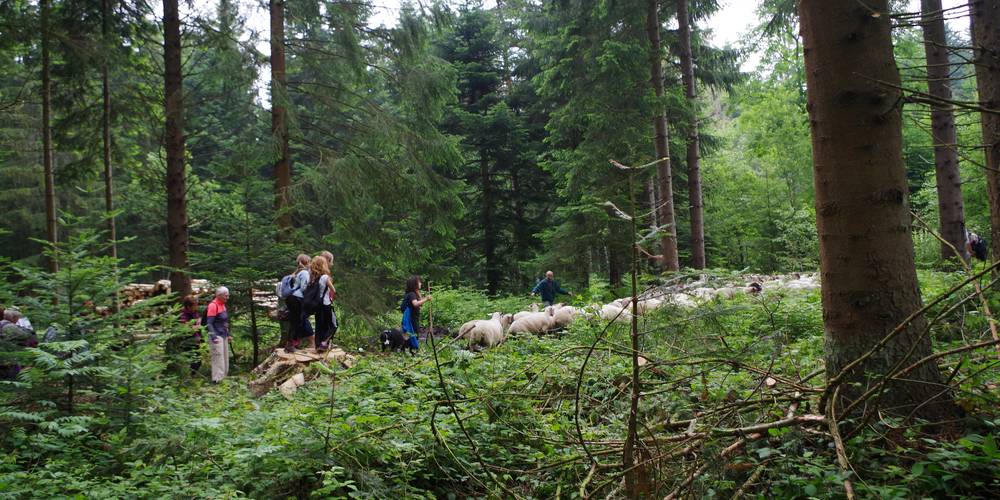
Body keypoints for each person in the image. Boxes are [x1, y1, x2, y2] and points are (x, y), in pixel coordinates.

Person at [285, 254, 313, 353]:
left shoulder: (297, 272)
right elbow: (304, 288)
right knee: (297, 321)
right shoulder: (305, 273)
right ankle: (291, 345)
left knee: (296, 321)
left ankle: (292, 344)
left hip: (291, 298)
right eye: (310, 262)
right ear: (308, 263)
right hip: (297, 299)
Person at [205, 287, 231, 383]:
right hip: (216, 335)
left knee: (225, 357)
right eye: (226, 295)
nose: (227, 297)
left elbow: (225, 322)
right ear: (219, 295)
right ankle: (217, 380)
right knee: (218, 358)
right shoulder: (213, 305)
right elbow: (209, 323)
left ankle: (224, 378)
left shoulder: (223, 305)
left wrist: (228, 334)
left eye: (228, 295)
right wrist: (213, 337)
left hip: (223, 334)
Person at [401, 275, 431, 353]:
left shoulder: (413, 293)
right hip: (411, 318)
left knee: (413, 333)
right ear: (414, 284)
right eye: (419, 282)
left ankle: (408, 350)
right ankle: (412, 350)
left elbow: (420, 304)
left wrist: (419, 294)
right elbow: (415, 304)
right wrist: (426, 299)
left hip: (413, 317)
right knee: (413, 333)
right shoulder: (412, 294)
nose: (420, 283)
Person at [316, 251, 338, 350]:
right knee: (334, 324)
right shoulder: (325, 276)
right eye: (331, 262)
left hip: (317, 304)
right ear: (327, 261)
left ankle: (319, 344)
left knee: (320, 324)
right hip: (326, 303)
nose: (332, 264)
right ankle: (324, 343)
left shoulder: (314, 273)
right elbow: (333, 290)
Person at [179, 295, 202, 375]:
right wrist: (195, 326)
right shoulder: (183, 314)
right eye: (195, 305)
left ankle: (191, 376)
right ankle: (188, 376)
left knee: (198, 361)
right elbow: (185, 327)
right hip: (187, 341)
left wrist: (199, 322)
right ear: (189, 306)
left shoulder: (194, 312)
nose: (197, 307)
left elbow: (197, 321)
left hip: (196, 339)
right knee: (193, 360)